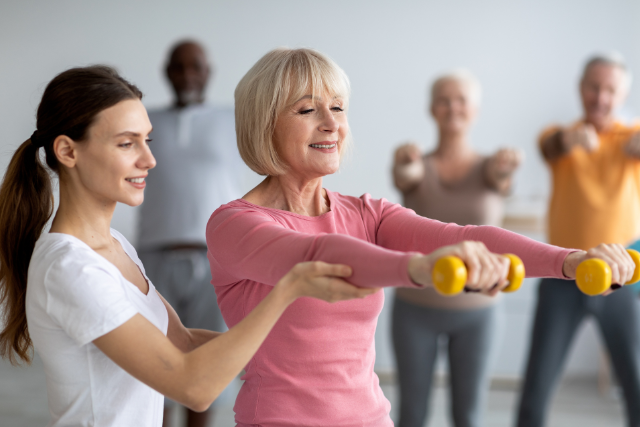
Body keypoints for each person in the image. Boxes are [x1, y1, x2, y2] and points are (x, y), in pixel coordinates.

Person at [205, 47, 635, 427]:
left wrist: (571, 261)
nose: (331, 124)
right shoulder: (235, 225)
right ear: (264, 123)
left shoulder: (365, 212)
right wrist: (420, 268)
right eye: (307, 110)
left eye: (338, 108)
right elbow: (319, 254)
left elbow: (466, 234)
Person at [0, 65, 377, 427]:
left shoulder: (115, 246)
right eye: (127, 143)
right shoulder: (70, 267)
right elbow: (192, 386)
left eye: (147, 140)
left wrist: (308, 360)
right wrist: (286, 291)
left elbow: (182, 342)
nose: (149, 159)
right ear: (68, 152)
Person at [391, 70, 522, 427]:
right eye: (444, 100)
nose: (453, 107)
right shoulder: (417, 164)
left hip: (479, 314)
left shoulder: (492, 168)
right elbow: (407, 176)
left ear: (476, 109)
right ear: (432, 109)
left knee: (469, 416)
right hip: (415, 310)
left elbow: (502, 179)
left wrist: (505, 168)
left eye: (462, 99)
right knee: (411, 415)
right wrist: (404, 165)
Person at [516, 53, 640, 427]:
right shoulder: (558, 139)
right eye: (593, 86)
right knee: (536, 385)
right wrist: (570, 139)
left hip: (623, 275)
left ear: (622, 94)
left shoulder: (632, 139)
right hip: (562, 277)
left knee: (636, 383)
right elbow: (550, 145)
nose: (600, 97)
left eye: (610, 90)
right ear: (580, 87)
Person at [136, 39, 242, 427]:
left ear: (208, 71)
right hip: (153, 260)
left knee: (205, 371)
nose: (187, 75)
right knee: (156, 370)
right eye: (178, 67)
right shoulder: (144, 122)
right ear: (167, 72)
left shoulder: (233, 120)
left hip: (215, 260)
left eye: (195, 66)